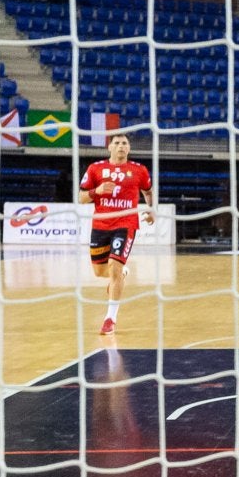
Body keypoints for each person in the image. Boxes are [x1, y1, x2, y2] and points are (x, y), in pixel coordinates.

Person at [78, 133, 154, 335]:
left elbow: (148, 191)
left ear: (129, 148)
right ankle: (121, 274)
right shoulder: (96, 168)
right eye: (117, 143)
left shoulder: (139, 170)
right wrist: (98, 191)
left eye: (125, 143)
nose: (121, 146)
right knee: (100, 272)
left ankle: (110, 318)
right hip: (101, 225)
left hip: (126, 223)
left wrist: (151, 209)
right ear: (109, 147)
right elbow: (81, 198)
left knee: (115, 267)